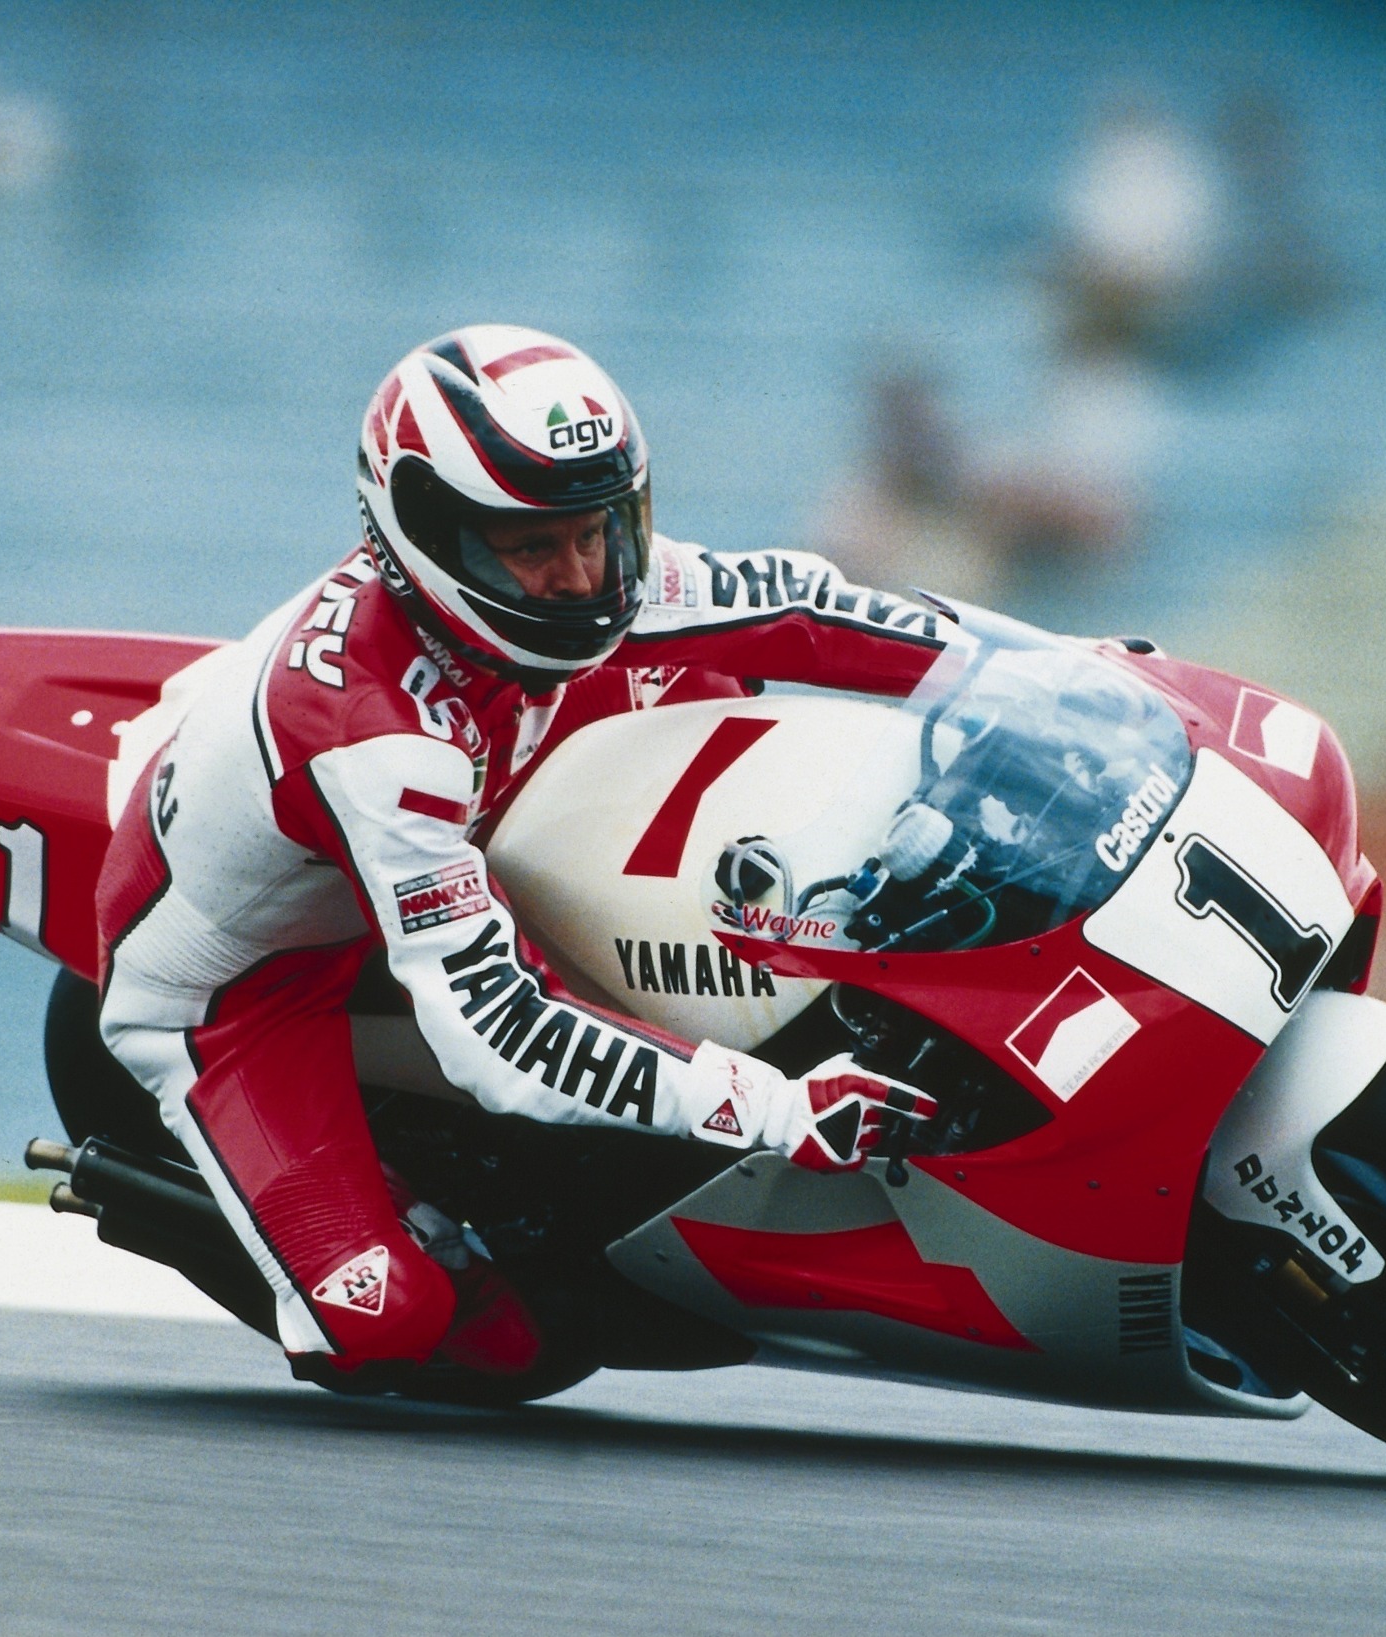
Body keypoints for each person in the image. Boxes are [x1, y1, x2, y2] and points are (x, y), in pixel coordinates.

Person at [95, 325, 948, 1386]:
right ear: (433, 537)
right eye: (532, 545)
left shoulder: (568, 589)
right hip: (249, 989)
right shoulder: (376, 737)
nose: (579, 574)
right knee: (412, 1327)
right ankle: (250, 1208)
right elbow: (500, 1035)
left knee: (721, 677)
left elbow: (808, 608)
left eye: (598, 528)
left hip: (437, 828)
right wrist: (777, 1105)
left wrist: (1064, 672)